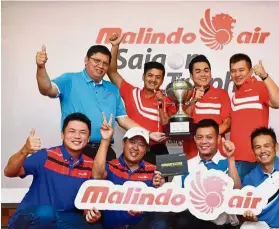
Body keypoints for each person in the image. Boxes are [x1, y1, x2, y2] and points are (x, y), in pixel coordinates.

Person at [36, 44, 165, 161]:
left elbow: (123, 119)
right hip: (76, 148)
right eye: (96, 61)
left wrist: (148, 134)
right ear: (86, 60)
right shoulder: (70, 79)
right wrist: (41, 68)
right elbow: (46, 89)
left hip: (105, 149)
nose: (100, 66)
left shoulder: (112, 89)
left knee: (106, 187)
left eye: (105, 63)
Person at [4, 113, 104, 229]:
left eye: (83, 132)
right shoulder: (46, 156)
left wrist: (90, 215)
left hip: (58, 224)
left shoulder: (91, 166)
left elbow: (86, 207)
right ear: (62, 134)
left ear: (88, 138)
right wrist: (25, 150)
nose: (77, 136)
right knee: (46, 213)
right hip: (27, 223)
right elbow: (9, 171)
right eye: (72, 131)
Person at [92, 114, 168, 229]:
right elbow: (97, 176)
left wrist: (161, 186)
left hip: (143, 228)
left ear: (146, 150)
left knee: (161, 221)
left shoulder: (154, 169)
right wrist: (105, 140)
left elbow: (163, 200)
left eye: (141, 145)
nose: (135, 148)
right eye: (132, 142)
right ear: (123, 143)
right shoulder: (111, 166)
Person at [171, 119, 241, 229]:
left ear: (218, 139)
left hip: (221, 226)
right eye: (200, 137)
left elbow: (237, 193)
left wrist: (230, 158)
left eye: (209, 137)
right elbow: (173, 201)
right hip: (191, 225)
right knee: (181, 221)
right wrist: (162, 188)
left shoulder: (229, 163)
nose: (204, 142)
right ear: (194, 139)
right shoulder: (185, 164)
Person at [107, 33, 170, 164]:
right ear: (143, 76)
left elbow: (169, 127)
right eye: (150, 75)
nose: (153, 80)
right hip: (134, 150)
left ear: (162, 80)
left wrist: (161, 105)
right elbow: (112, 72)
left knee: (162, 184)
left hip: (159, 150)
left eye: (158, 77)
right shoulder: (131, 92)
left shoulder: (167, 98)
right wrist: (115, 46)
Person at [229, 53, 279, 179]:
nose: (237, 74)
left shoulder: (259, 86)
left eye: (241, 70)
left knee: (256, 197)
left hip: (255, 158)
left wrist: (264, 76)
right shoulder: (234, 97)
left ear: (250, 71)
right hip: (235, 159)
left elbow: (278, 102)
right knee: (238, 197)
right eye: (233, 71)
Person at [181, 55, 232, 160]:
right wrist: (193, 101)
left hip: (218, 154)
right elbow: (181, 123)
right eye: (198, 71)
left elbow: (226, 124)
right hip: (191, 154)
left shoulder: (221, 94)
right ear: (191, 75)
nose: (203, 74)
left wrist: (208, 137)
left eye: (206, 70)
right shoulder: (184, 95)